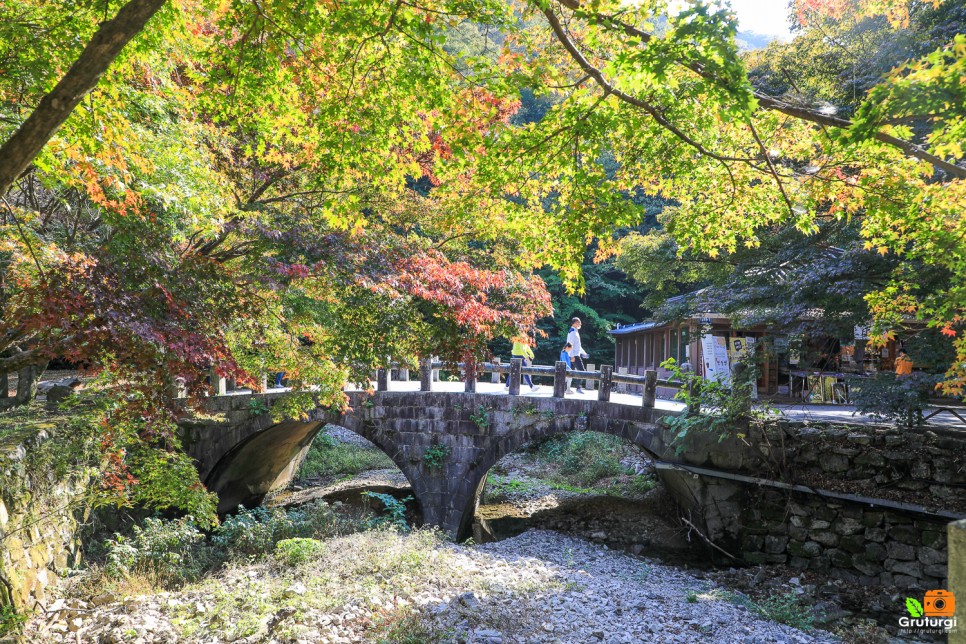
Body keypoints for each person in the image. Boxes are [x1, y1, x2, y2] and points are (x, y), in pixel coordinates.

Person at [567, 317, 589, 394]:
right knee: (582, 371)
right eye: (579, 323)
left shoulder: (575, 331)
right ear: (575, 323)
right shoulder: (573, 332)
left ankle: (566, 388)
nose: (580, 324)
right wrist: (572, 356)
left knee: (569, 373)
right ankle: (578, 387)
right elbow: (570, 344)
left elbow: (577, 345)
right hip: (574, 356)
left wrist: (584, 353)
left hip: (575, 354)